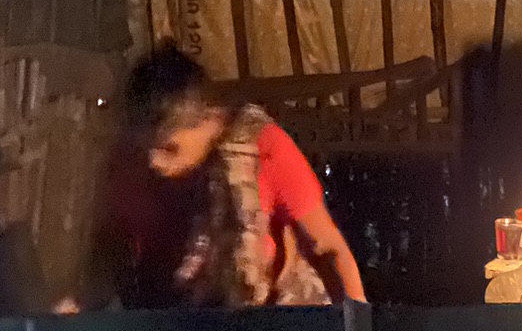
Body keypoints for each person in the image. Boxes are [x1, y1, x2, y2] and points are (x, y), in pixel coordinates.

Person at [82, 43, 366, 310]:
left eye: (169, 147)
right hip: (174, 325)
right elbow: (110, 245)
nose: (153, 161)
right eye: (145, 148)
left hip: (272, 320)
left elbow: (327, 246)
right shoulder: (130, 163)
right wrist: (78, 306)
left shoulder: (261, 147)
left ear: (211, 121)